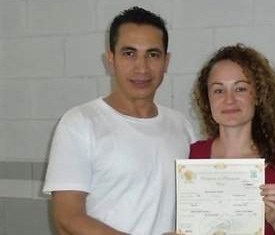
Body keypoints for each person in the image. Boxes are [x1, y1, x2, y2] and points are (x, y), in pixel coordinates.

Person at [43, 6, 196, 235]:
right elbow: (68, 218)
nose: (142, 67)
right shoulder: (79, 123)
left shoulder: (181, 126)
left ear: (166, 61)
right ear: (111, 59)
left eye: (153, 54)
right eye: (129, 53)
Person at [190, 43, 275, 235]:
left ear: (257, 96)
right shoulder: (191, 157)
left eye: (240, 89)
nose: (229, 100)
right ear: (208, 100)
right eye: (218, 90)